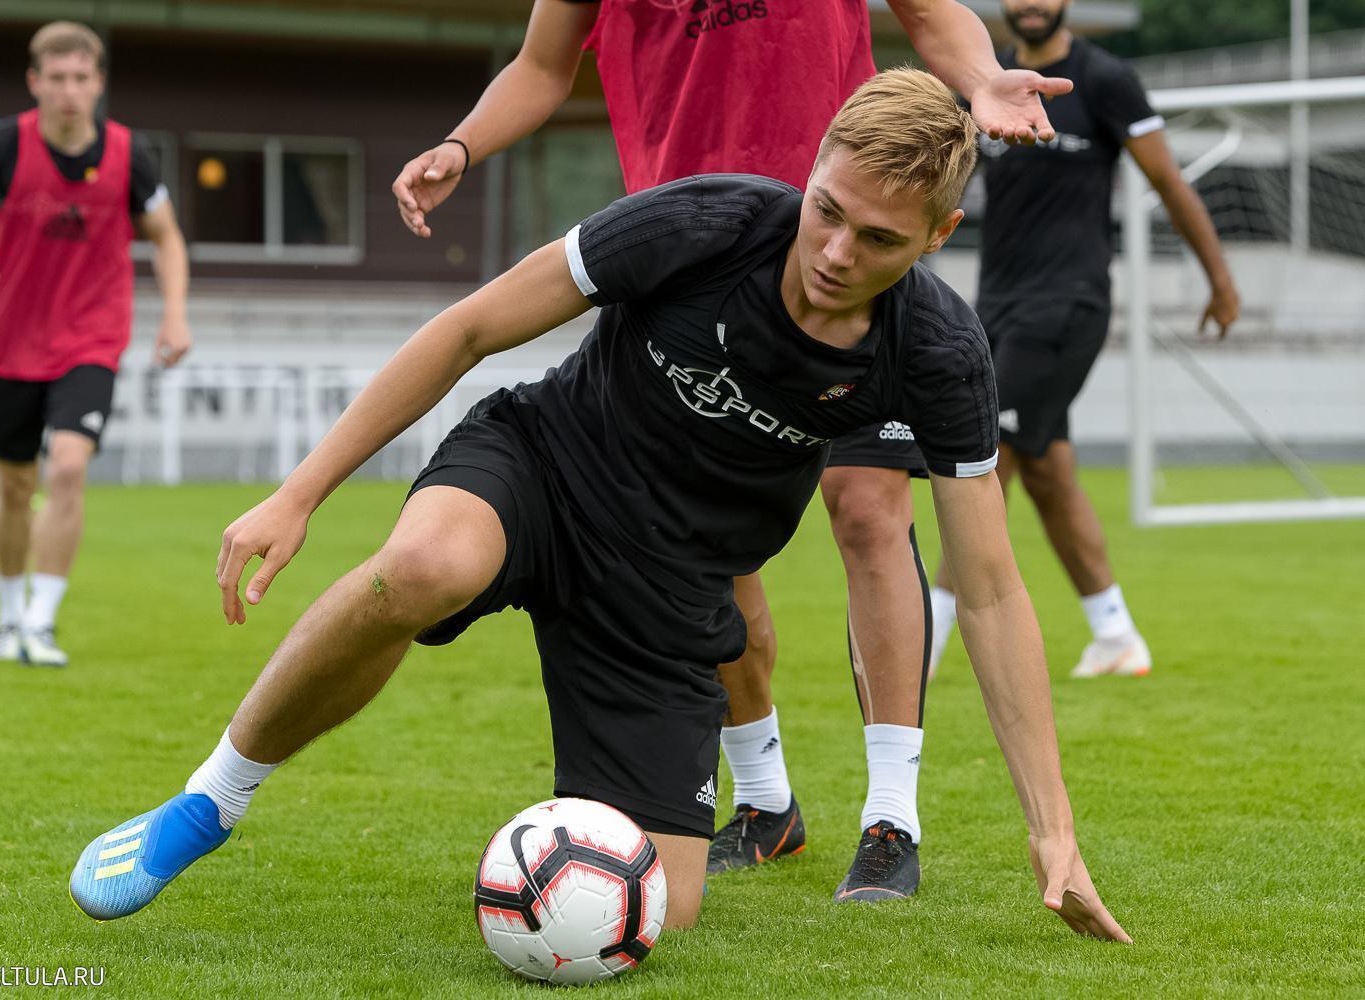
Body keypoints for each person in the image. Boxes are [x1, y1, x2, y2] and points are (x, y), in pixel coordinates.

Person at [70, 70, 1129, 943]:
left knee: (662, 905)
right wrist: (299, 494)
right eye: (827, 211)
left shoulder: (939, 353)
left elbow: (990, 592)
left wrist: (1054, 832)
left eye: (880, 240)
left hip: (667, 591)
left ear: (938, 235)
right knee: (423, 567)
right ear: (809, 174)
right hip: (544, 468)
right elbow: (470, 330)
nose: (836, 253)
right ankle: (209, 800)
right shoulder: (707, 222)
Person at [391, 0, 1072, 901]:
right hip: (699, 254)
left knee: (869, 510)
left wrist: (981, 81)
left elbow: (931, 14)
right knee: (707, 542)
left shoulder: (894, 282)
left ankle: (891, 819)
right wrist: (462, 144)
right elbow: (543, 65)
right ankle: (764, 798)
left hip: (848, 244)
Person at [927, 0, 1240, 680]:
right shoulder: (985, 81)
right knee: (1047, 473)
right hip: (994, 305)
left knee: (985, 456)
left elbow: (1167, 181)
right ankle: (1116, 635)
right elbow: (941, 180)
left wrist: (1220, 280)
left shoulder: (1105, 79)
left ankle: (928, 635)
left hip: (1069, 303)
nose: (1031, 5)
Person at [0, 21, 192, 668]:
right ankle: (9, 619)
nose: (69, 91)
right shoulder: (2, 142)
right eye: (56, 78)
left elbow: (167, 237)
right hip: (8, 342)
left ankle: (41, 623)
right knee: (15, 486)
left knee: (67, 467)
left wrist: (175, 315)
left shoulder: (129, 154)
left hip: (91, 338)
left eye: (81, 78)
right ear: (35, 82)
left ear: (98, 82)